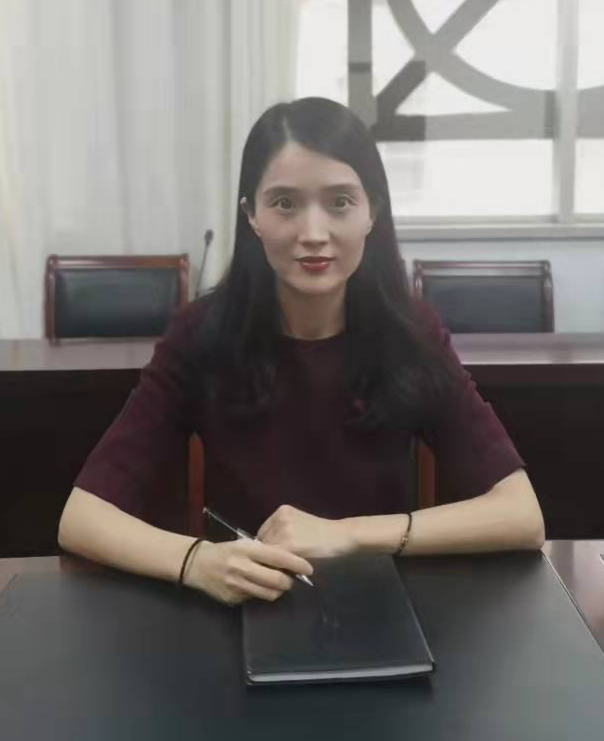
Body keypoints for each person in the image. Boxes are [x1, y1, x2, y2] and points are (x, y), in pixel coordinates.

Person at [59, 97, 545, 606]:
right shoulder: (202, 334)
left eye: (340, 202)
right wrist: (197, 561)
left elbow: (521, 514)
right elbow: (82, 518)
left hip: (379, 606)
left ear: (373, 211)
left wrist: (350, 535)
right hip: (245, 606)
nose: (313, 234)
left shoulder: (411, 333)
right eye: (285, 204)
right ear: (251, 215)